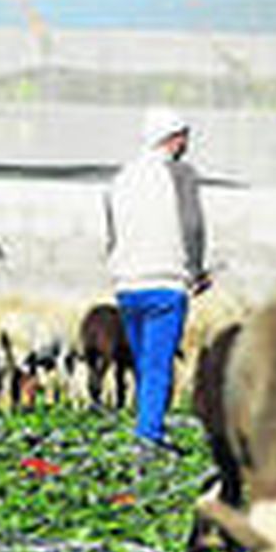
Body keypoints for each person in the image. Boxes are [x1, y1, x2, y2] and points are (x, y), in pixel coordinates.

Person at [103, 106, 209, 457]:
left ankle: (150, 429)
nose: (186, 144)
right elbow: (192, 225)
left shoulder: (121, 178)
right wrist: (196, 270)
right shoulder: (180, 174)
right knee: (158, 365)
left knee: (144, 365)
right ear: (173, 138)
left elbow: (112, 233)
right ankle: (148, 438)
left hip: (127, 286)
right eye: (184, 137)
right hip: (166, 284)